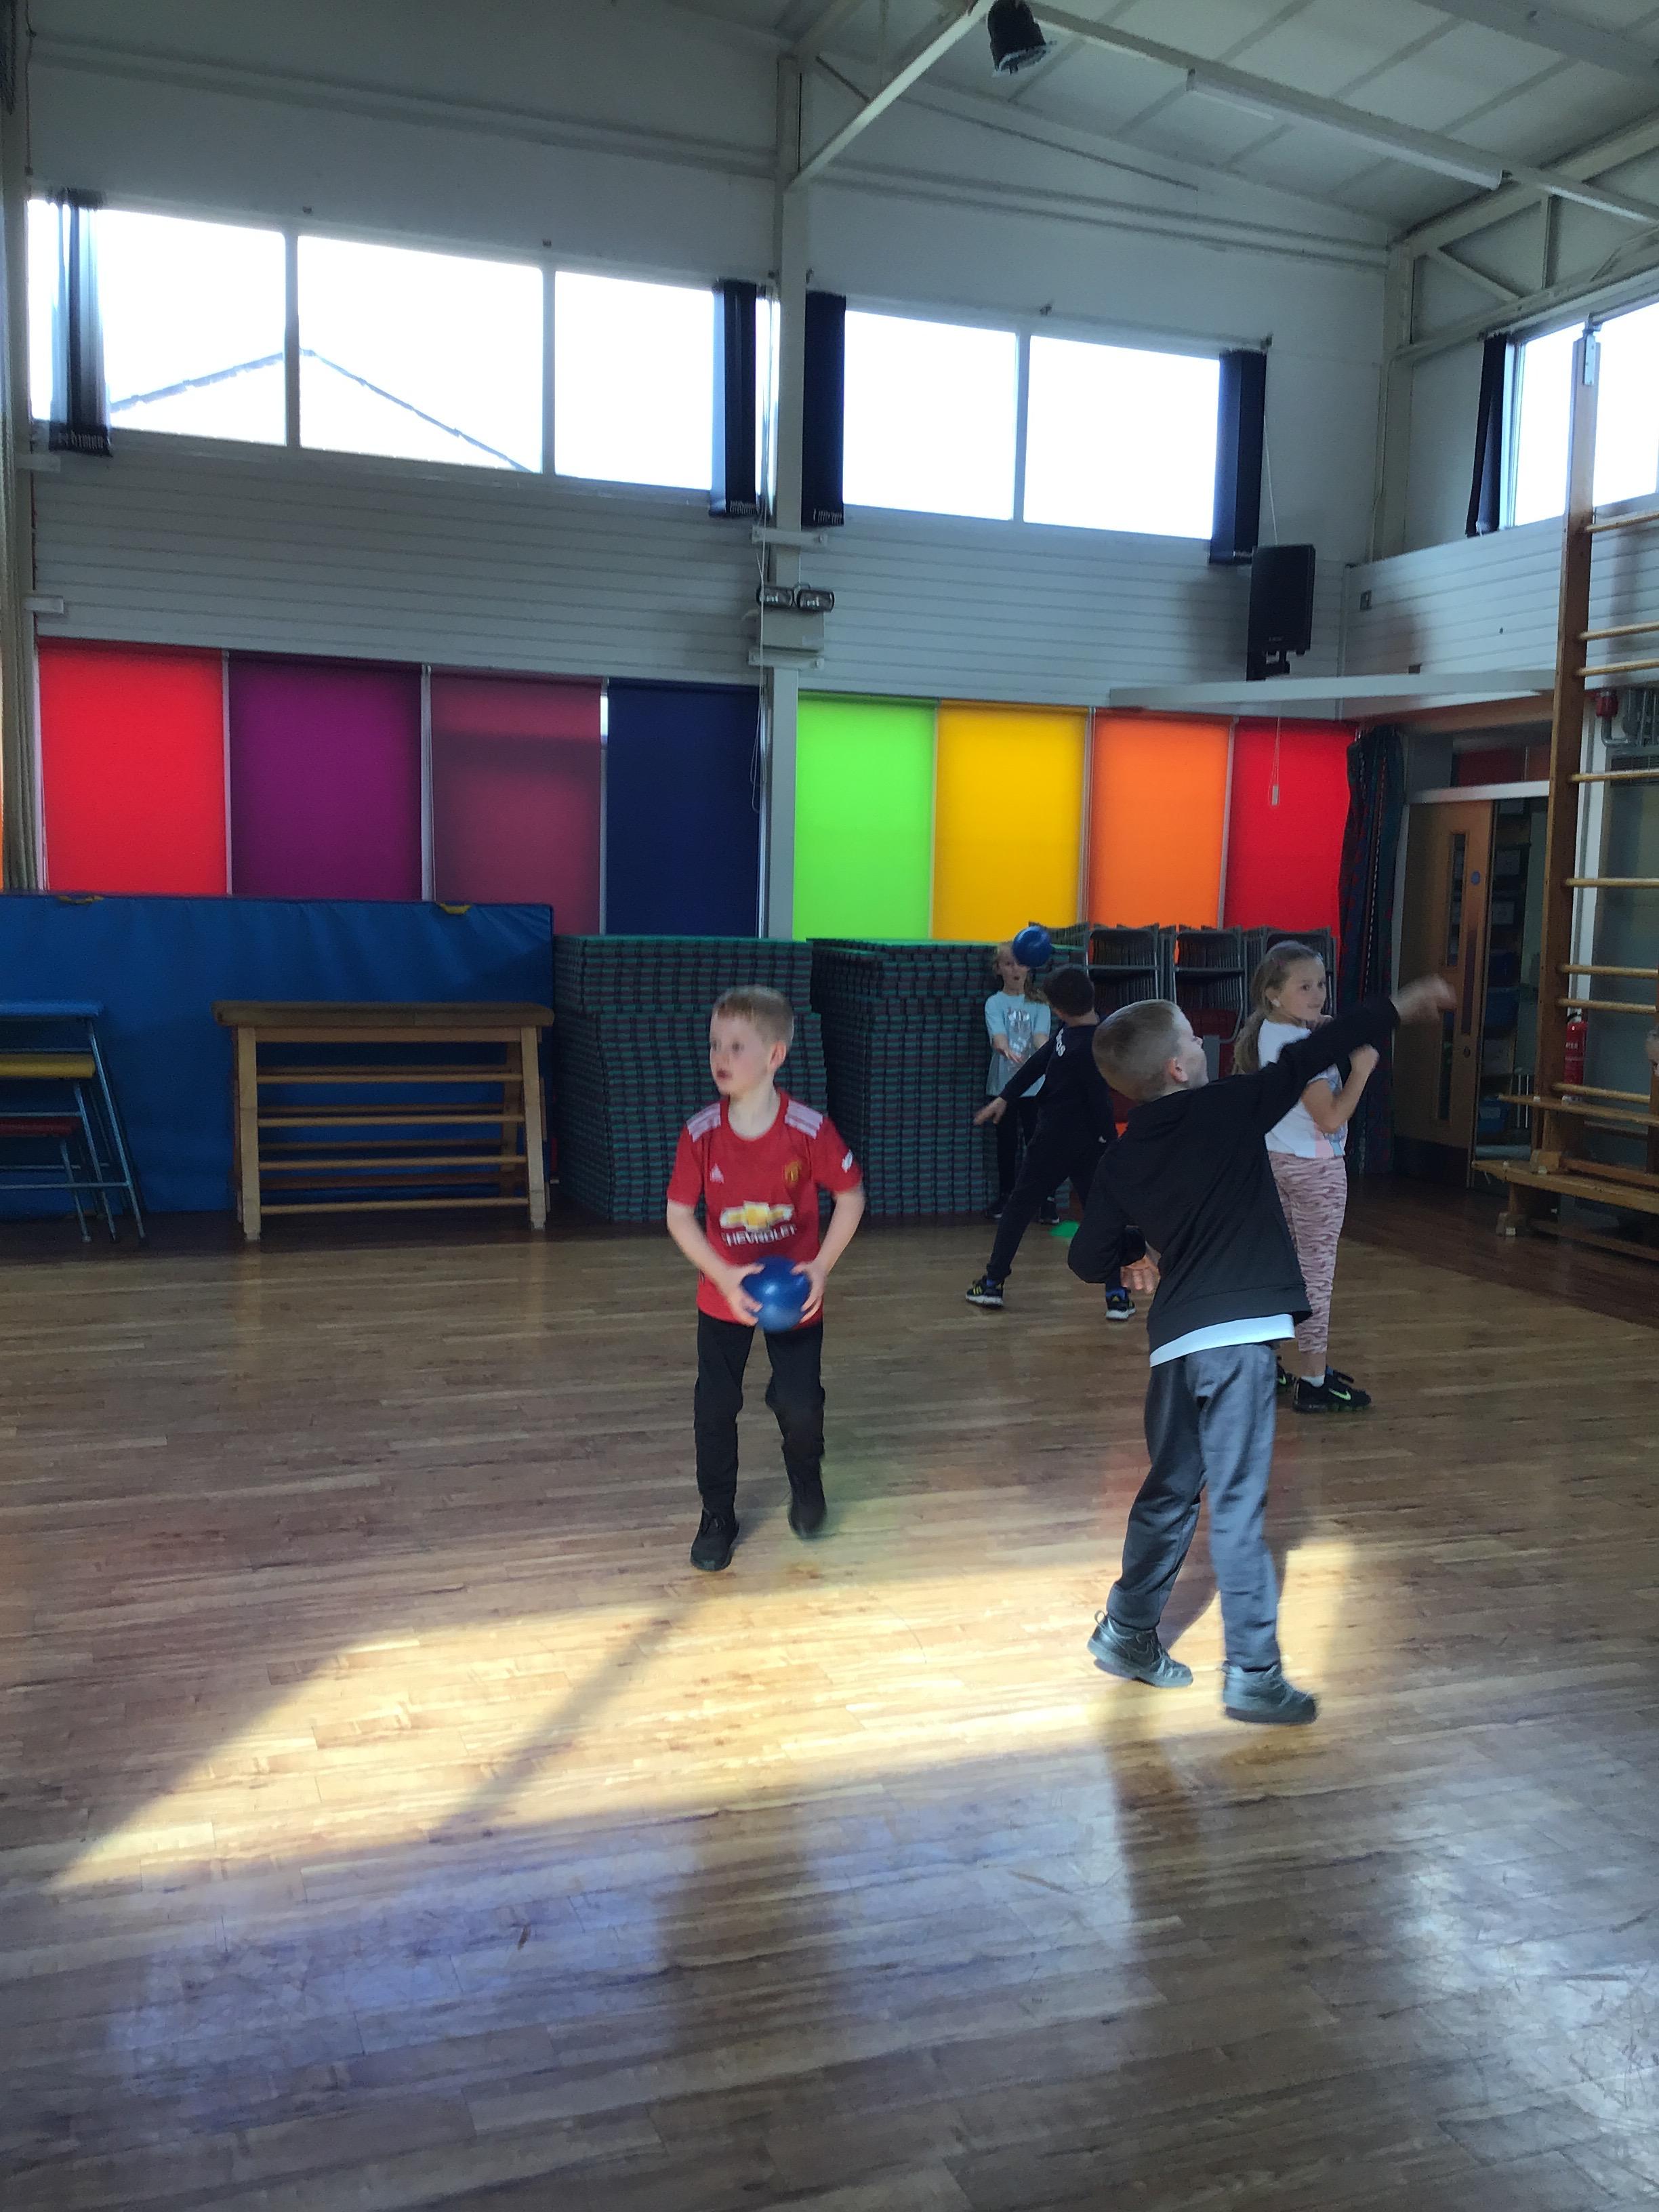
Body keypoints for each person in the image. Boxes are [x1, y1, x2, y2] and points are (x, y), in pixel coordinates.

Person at [1069, 973, 1454, 1725]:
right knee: (1239, 1506)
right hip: (1239, 1340)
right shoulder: (1231, 1105)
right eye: (1192, 1038)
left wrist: (1130, 1253)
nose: (1203, 1043)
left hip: (1176, 1346)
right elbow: (1318, 1049)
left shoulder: (1122, 1157)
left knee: (1171, 1490)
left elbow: (1086, 1258)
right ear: (1177, 1066)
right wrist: (1398, 1009)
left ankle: (1127, 1630)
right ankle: (1253, 1673)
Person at [665, 987, 865, 1573]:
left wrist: (821, 1266)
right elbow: (678, 1215)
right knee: (714, 1407)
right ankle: (717, 1515)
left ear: (775, 1056)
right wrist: (724, 1276)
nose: (720, 1057)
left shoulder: (808, 1129)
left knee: (801, 1405)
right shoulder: (701, 1133)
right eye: (714, 1045)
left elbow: (851, 1196)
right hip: (724, 1295)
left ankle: (806, 1482)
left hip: (795, 1296)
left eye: (736, 1046)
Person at [1231, 941, 1378, 1414]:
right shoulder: (1295, 1048)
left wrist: (1322, 1028)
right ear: (1274, 994)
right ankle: (1314, 1381)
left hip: (1279, 1161)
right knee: (1315, 1275)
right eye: (1304, 987)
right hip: (1315, 1169)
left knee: (1283, 1267)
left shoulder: (1273, 1031)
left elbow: (1313, 1030)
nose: (1318, 995)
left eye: (1321, 984)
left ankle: (1267, 1361)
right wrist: (1361, 1072)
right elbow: (1331, 1118)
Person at [966, 963, 1132, 1319]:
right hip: (1071, 1141)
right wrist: (1006, 1096)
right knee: (1097, 1215)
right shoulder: (1074, 1031)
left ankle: (994, 1283)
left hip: (1066, 1142)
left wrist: (1110, 1142)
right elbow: (1040, 1060)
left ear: (1057, 1009)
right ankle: (1116, 1295)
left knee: (1024, 1210)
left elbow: (1099, 1101)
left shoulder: (1087, 1046)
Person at [983, 941, 1052, 1221]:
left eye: (1020, 964)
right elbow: (998, 1036)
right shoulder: (994, 1003)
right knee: (1007, 1144)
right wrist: (1005, 1049)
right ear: (998, 969)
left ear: (1029, 968)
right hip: (1003, 1088)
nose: (1015, 970)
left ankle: (1044, 1199)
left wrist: (1047, 1054)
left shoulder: (1040, 1003)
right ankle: (1006, 1196)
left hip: (1035, 1088)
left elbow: (1040, 1037)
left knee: (1039, 1144)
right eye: (1008, 964)